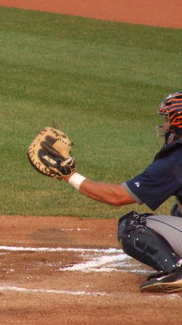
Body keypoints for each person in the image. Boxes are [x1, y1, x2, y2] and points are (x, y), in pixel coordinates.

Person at [60, 92, 182, 293]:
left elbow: (118, 196)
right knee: (178, 210)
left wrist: (69, 176)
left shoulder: (176, 159)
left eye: (168, 119)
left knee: (132, 226)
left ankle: (176, 271)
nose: (165, 126)